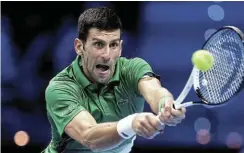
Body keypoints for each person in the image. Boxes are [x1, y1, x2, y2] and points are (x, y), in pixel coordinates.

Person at [42, 7, 186, 153]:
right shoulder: (59, 88)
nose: (107, 55)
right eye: (98, 44)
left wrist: (165, 104)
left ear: (121, 48)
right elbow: (89, 137)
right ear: (79, 47)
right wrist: (131, 123)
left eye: (113, 45)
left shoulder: (132, 68)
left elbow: (155, 90)